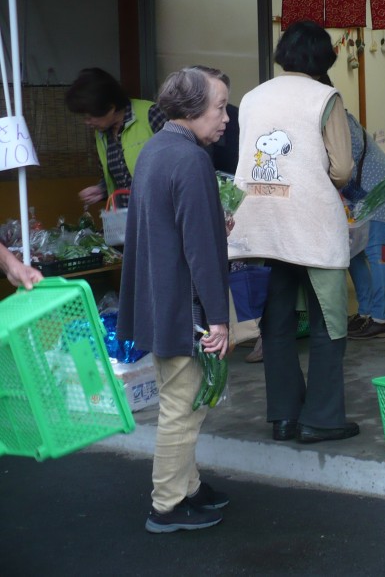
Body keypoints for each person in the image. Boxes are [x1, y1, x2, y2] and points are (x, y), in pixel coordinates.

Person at [227, 20, 357, 444]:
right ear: (324, 60)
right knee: (329, 323)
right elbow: (340, 168)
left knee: (277, 324)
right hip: (312, 223)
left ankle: (283, 417)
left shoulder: (251, 97)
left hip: (261, 223)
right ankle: (320, 419)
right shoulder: (325, 97)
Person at [116, 66, 232, 533]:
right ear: (192, 108)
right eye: (220, 107)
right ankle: (167, 503)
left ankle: (189, 486)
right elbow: (200, 249)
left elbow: (173, 226)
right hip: (184, 307)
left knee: (181, 400)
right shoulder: (191, 160)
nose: (226, 117)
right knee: (182, 409)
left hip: (160, 298)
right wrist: (219, 320)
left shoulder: (156, 149)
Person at [337, 91, 385, 340]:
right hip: (361, 193)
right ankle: (366, 312)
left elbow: (344, 161)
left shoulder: (341, 123)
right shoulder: (335, 121)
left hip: (378, 188)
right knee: (353, 253)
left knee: (374, 251)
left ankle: (381, 318)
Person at [65, 67, 167, 205]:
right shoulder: (102, 134)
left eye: (90, 117)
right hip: (126, 218)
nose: (87, 123)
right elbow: (119, 178)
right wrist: (101, 189)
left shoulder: (152, 115)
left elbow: (180, 166)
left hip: (158, 213)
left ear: (111, 107)